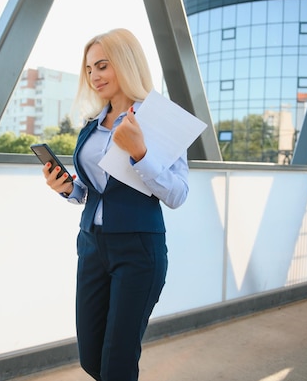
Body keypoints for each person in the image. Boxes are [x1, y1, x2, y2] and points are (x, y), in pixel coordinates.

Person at [41, 28, 189, 381]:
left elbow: (178, 194)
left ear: (126, 63)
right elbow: (96, 191)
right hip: (92, 246)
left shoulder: (161, 120)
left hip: (138, 249)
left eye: (102, 66)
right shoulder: (92, 125)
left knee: (118, 361)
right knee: (91, 357)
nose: (94, 77)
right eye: (89, 69)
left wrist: (140, 152)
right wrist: (67, 188)